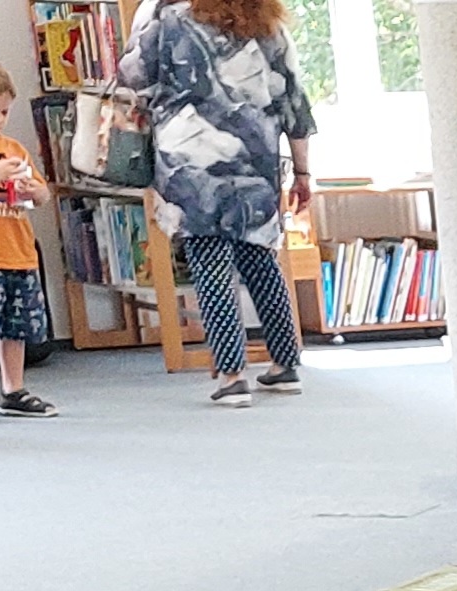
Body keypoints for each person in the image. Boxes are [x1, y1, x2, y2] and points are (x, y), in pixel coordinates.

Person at [114, 0, 313, 407]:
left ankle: (232, 376)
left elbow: (133, 79)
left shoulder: (163, 13)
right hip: (254, 160)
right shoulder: (267, 21)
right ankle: (285, 364)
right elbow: (294, 103)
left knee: (210, 264)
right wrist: (303, 172)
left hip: (189, 159)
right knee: (260, 257)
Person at [0, 68, 54, 417]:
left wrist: (36, 191)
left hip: (19, 253)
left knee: (14, 329)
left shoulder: (14, 149)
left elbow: (41, 195)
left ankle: (13, 388)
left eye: (3, 111)